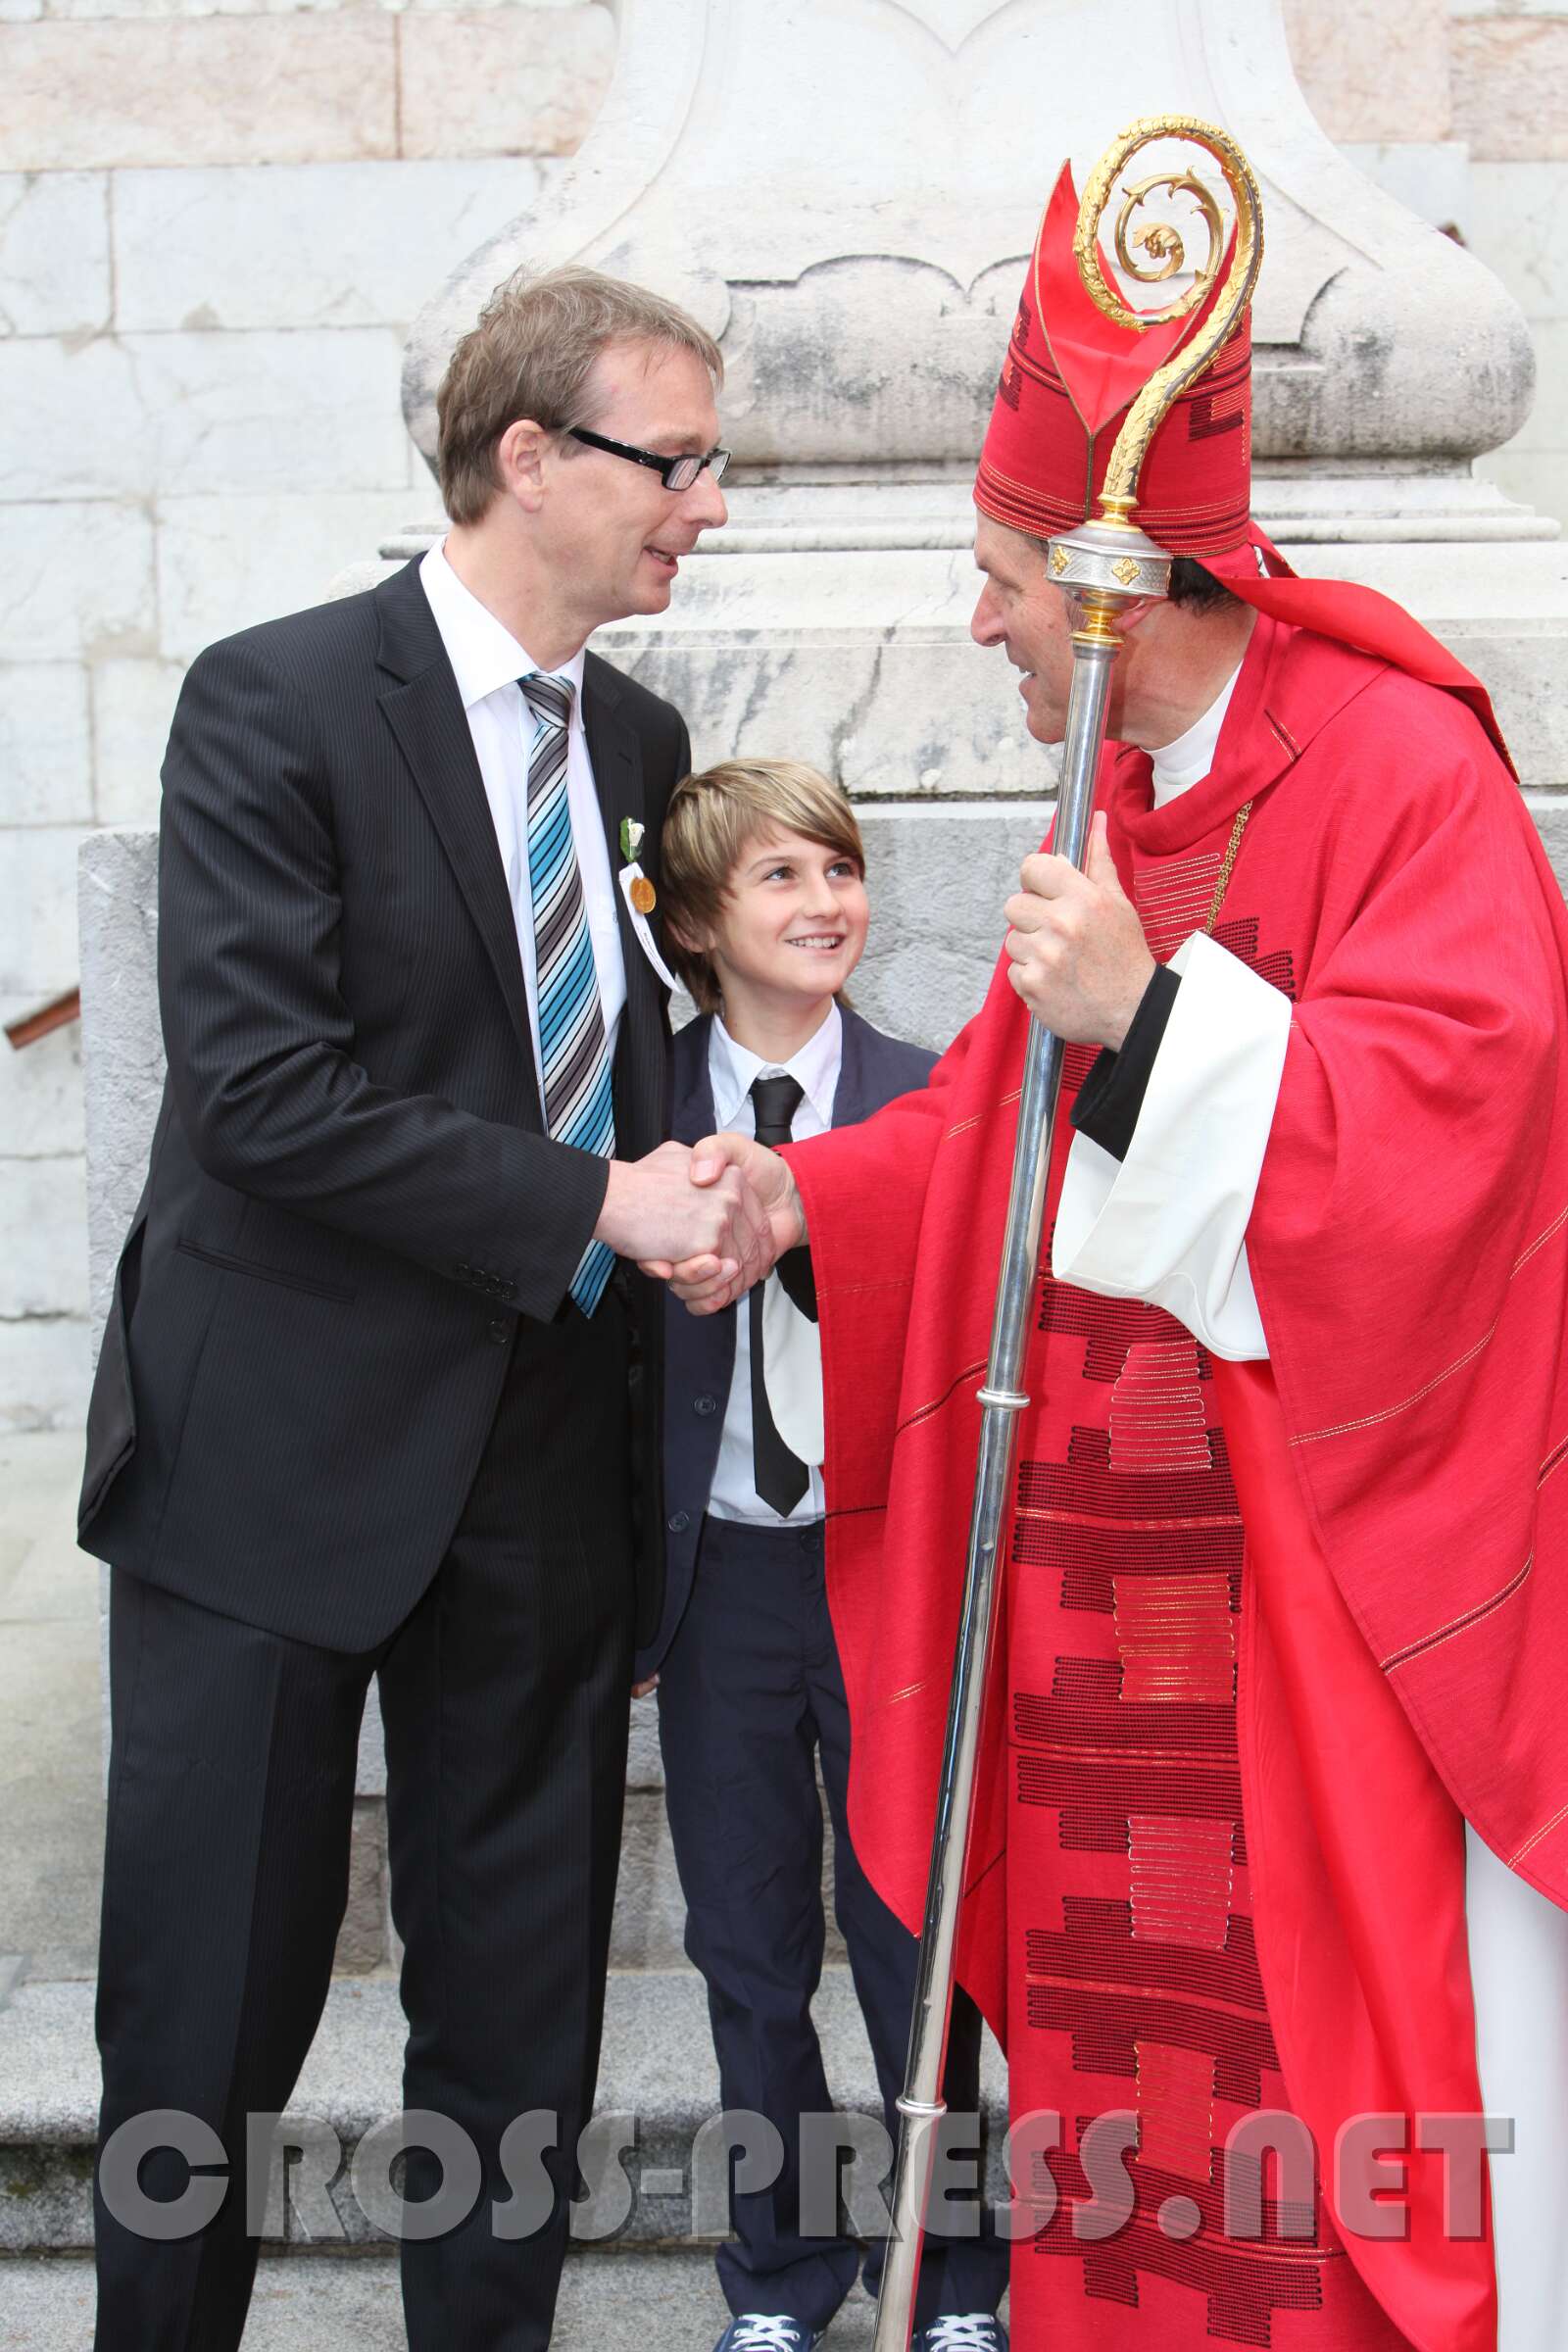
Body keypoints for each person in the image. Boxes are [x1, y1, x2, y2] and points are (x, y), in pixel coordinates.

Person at [666, 160, 1568, 2351]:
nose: (979, 630)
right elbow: (979, 1134)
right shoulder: (1123, 794)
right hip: (1092, 1624)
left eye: (999, 586)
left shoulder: (1391, 764)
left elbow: (1466, 1127)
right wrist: (796, 1201)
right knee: (1116, 2107)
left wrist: (1152, 1023)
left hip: (1294, 1611)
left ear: (1111, 595)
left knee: (1303, 2104)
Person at [75, 264, 770, 2352]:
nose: (708, 506)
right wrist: (596, 1199)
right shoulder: (273, 700)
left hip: (544, 1475)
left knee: (519, 2040)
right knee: (201, 2033)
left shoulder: (640, 743)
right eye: (679, 462)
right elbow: (264, 1095)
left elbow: (621, 1068)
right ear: (529, 456)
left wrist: (712, 1195)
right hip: (269, 1473)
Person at [643, 758, 1010, 2352]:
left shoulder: (932, 1096)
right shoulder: (633, 1109)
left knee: (921, 1952)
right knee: (746, 1947)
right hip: (721, 1583)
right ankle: (781, 2280)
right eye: (781, 876)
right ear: (698, 923)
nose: (824, 902)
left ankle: (954, 2285)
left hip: (886, 1581)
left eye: (840, 868)